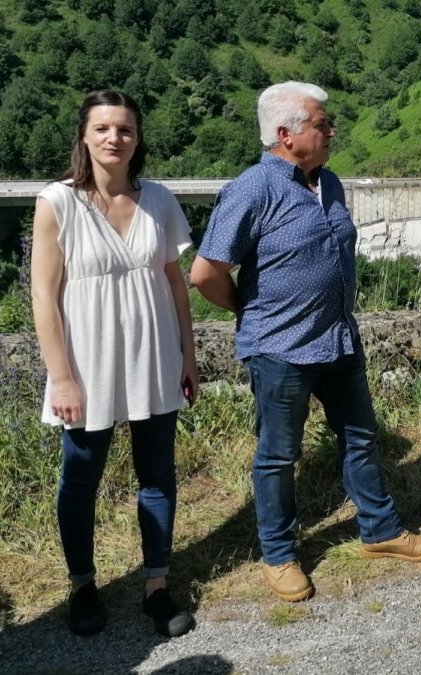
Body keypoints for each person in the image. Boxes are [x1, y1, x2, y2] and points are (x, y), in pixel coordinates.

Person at [191, 81, 421, 603]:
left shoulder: (329, 183)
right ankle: (279, 554)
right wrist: (246, 310)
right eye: (321, 124)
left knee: (361, 437)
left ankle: (380, 530)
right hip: (280, 348)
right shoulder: (253, 189)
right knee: (279, 456)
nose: (332, 130)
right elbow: (205, 271)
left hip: (338, 340)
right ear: (285, 135)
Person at [30, 91, 197, 638]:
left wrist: (188, 356)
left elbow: (174, 281)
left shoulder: (160, 200)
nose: (114, 138)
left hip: (155, 354)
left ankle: (156, 585)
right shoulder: (57, 202)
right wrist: (62, 376)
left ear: (137, 138)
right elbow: (44, 297)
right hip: (88, 363)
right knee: (80, 479)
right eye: (102, 129)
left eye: (124, 129)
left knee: (157, 476)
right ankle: (82, 587)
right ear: (84, 135)